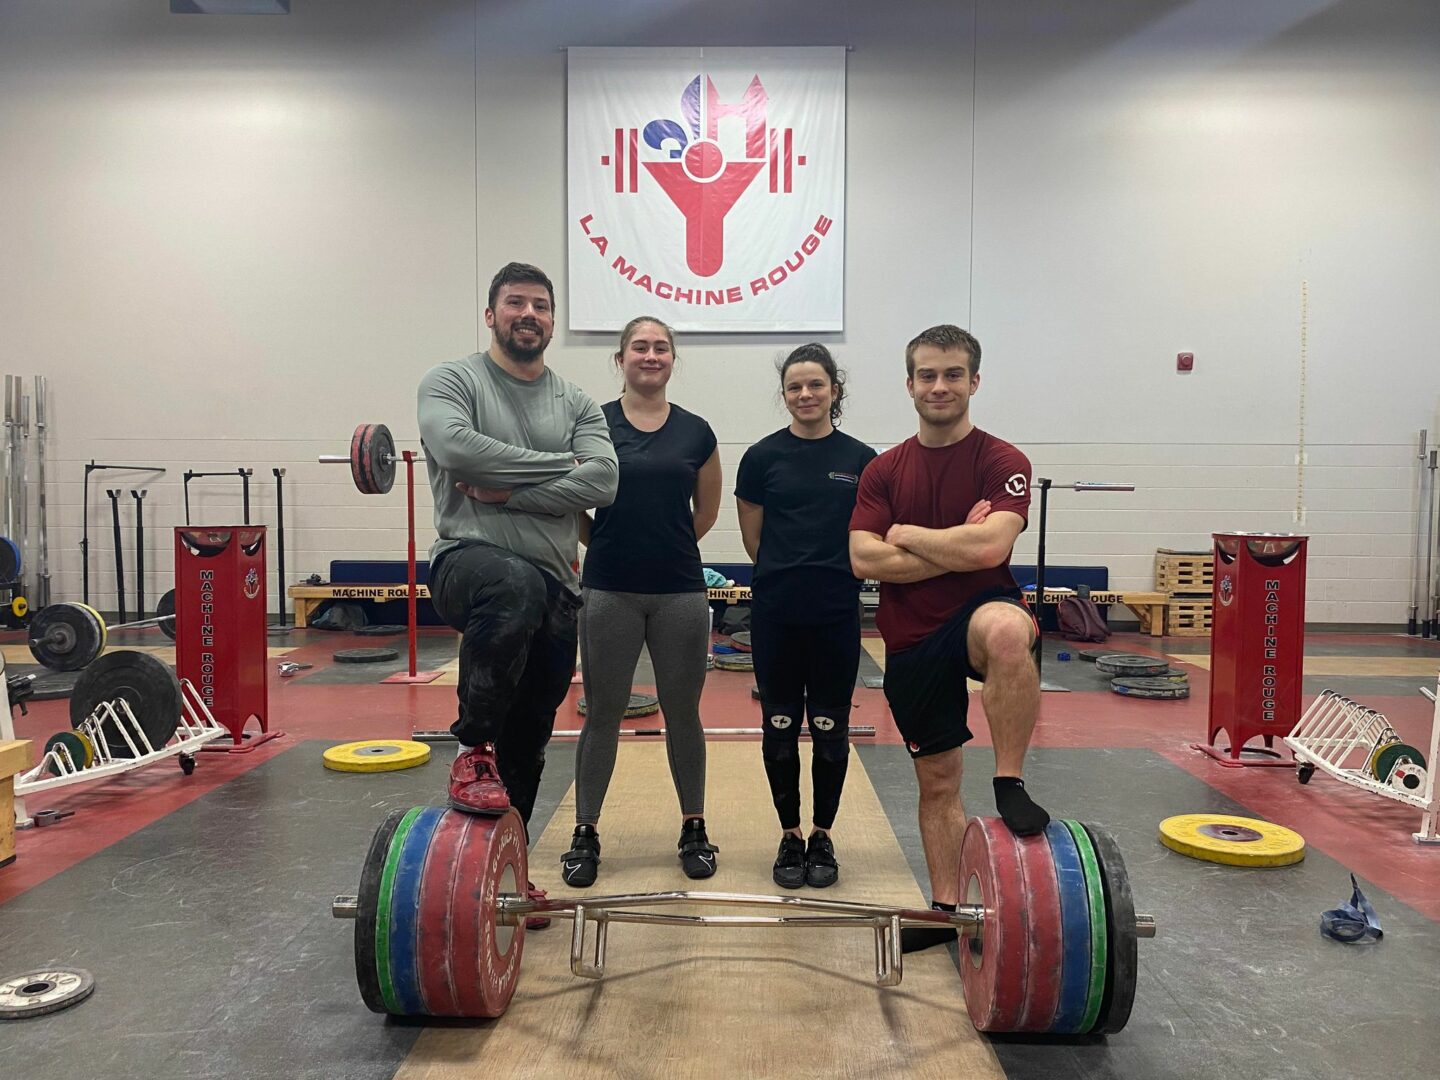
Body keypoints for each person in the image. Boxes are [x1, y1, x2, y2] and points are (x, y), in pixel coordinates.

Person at [417, 263, 618, 893]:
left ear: (552, 321)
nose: (527, 314)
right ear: (490, 315)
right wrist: (564, 465)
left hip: (557, 584)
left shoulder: (577, 400)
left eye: (539, 306)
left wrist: (506, 494)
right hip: (467, 562)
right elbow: (457, 450)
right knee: (513, 585)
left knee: (531, 735)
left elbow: (605, 481)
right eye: (514, 303)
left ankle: (505, 870)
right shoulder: (453, 380)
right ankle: (473, 746)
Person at [848, 324, 1047, 952]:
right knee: (936, 782)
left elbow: (991, 546)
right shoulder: (883, 470)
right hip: (910, 636)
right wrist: (952, 545)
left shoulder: (1002, 460)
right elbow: (862, 560)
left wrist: (904, 534)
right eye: (928, 375)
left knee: (1010, 631)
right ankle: (945, 910)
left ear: (974, 381)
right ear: (909, 384)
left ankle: (1010, 780)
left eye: (953, 374)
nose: (940, 386)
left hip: (978, 611)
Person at [561, 317, 722, 887]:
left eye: (661, 347)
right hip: (609, 590)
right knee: (603, 713)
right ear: (620, 357)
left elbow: (705, 511)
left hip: (679, 590)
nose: (650, 356)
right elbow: (575, 502)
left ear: (672, 359)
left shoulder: (697, 432)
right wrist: (604, 543)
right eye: (640, 347)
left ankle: (695, 826)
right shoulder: (594, 424)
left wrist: (668, 549)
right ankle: (585, 830)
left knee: (684, 715)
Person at [735, 345, 876, 889]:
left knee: (829, 730)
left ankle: (822, 833)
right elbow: (755, 540)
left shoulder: (863, 460)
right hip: (776, 617)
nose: (805, 395)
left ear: (834, 391)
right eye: (795, 387)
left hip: (836, 615)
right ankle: (789, 834)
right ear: (785, 394)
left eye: (816, 385)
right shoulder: (761, 458)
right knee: (779, 729)